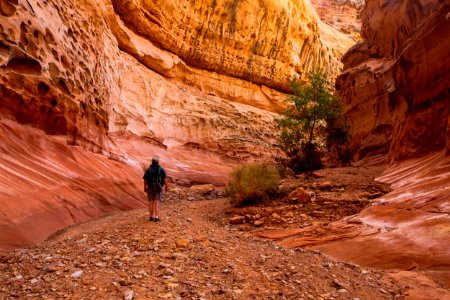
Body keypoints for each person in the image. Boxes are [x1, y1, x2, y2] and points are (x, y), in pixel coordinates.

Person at [143, 156, 168, 222]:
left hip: (150, 187)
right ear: (158, 162)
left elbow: (145, 179)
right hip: (158, 188)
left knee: (151, 202)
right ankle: (156, 217)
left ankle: (151, 216)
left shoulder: (149, 169)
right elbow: (165, 179)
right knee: (156, 203)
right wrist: (166, 187)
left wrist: (145, 187)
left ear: (152, 162)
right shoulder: (161, 169)